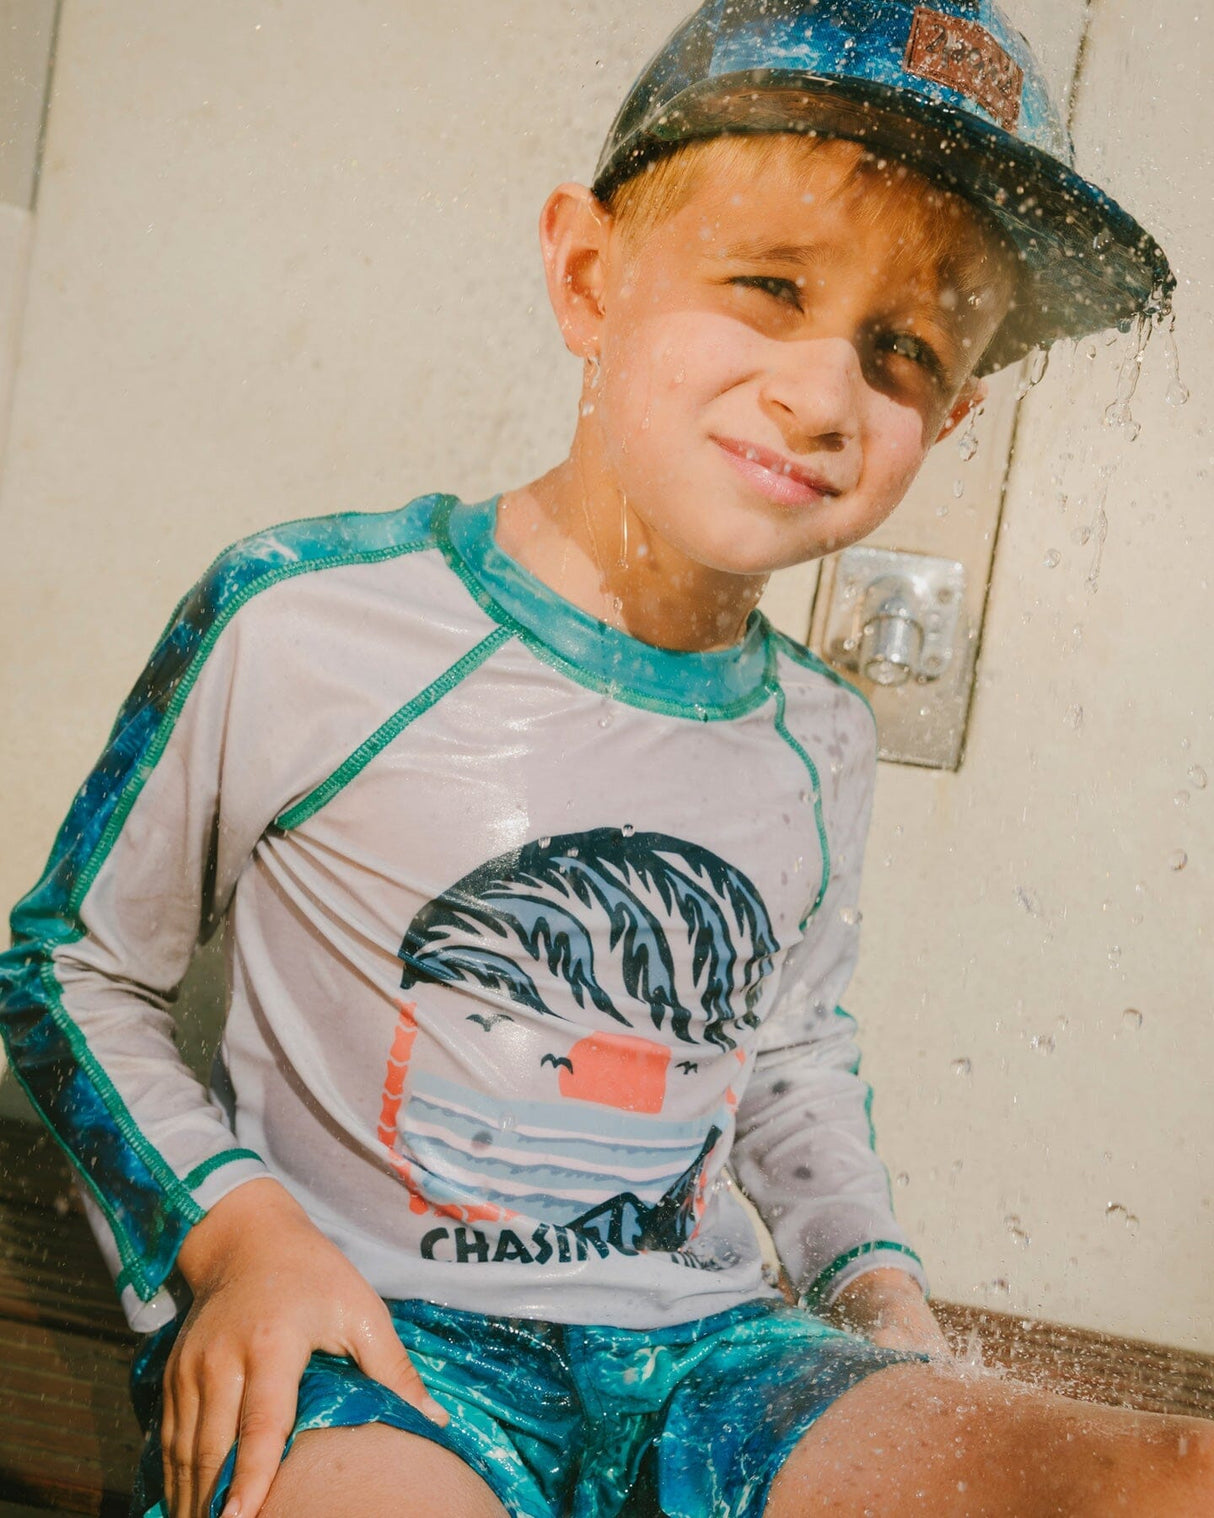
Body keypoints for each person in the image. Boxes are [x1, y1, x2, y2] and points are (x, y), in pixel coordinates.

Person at [0, 1, 1208, 1515]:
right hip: (369, 1347)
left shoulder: (817, 733)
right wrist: (240, 1238)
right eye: (769, 284)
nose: (823, 395)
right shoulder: (310, 619)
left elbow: (780, 1054)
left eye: (901, 351)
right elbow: (66, 972)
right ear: (587, 272)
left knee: (1169, 1477)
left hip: (706, 1355)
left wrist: (875, 1283)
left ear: (950, 413)